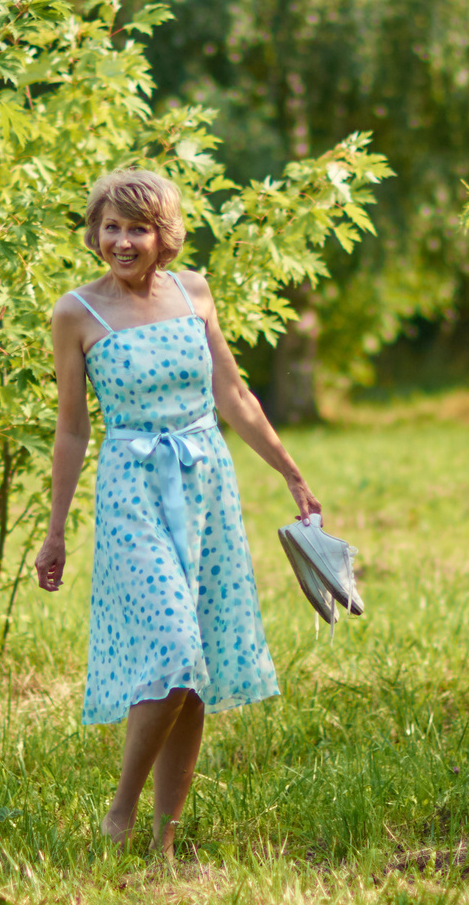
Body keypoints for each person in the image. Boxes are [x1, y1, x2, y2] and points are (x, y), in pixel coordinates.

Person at [32, 169, 322, 856]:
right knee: (171, 646)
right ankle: (120, 816)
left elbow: (234, 394)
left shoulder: (193, 292)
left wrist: (291, 473)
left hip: (206, 485)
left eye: (138, 227)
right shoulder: (76, 312)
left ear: (164, 235)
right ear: (95, 231)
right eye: (111, 226)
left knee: (197, 670)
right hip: (132, 486)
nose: (122, 240)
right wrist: (55, 533)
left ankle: (164, 843)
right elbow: (71, 429)